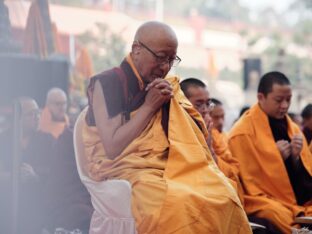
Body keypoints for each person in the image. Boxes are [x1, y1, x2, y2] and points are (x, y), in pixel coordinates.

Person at [81, 21, 251, 233]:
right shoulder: (109, 82)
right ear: (137, 49)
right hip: (124, 168)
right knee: (176, 204)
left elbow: (184, 134)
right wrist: (149, 106)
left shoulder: (168, 86)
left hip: (164, 163)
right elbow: (112, 147)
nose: (165, 67)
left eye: (172, 60)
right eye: (161, 57)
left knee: (223, 193)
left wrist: (199, 127)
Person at [228, 71, 312, 233]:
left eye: (288, 100)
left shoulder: (293, 129)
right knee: (276, 212)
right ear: (261, 97)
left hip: (294, 200)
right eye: (279, 100)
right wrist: (276, 159)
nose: (285, 106)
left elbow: (305, 180)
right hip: (261, 199)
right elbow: (248, 184)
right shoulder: (242, 133)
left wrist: (295, 160)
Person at [180, 78, 244, 202]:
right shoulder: (174, 128)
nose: (204, 110)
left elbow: (233, 171)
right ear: (182, 103)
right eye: (198, 104)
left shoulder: (213, 135)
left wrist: (209, 149)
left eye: (207, 104)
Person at [0, 97, 55, 234]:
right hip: (7, 209)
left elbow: (55, 174)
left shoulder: (47, 140)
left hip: (37, 209)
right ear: (17, 118)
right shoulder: (3, 140)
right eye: (30, 114)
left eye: (38, 113)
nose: (36, 117)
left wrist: (35, 175)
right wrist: (11, 176)